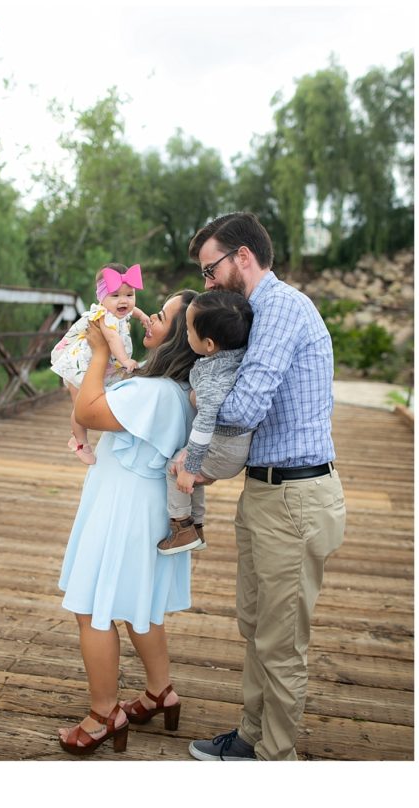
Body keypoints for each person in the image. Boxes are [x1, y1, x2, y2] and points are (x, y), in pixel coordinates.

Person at [185, 212, 346, 762]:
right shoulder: (260, 312)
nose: (209, 284)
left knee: (280, 645)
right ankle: (251, 740)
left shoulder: (278, 307)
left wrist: (193, 400)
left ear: (243, 258)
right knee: (255, 627)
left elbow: (244, 408)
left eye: (210, 271)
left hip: (295, 500)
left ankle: (277, 762)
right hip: (268, 492)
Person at [56, 289, 199, 756]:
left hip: (123, 511)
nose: (150, 317)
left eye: (164, 316)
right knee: (141, 605)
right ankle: (160, 691)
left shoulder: (153, 392)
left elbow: (87, 410)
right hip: (145, 510)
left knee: (93, 608)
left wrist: (99, 351)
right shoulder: (176, 391)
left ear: (180, 338)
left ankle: (104, 713)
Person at [157, 289, 254, 555]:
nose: (186, 335)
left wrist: (190, 465)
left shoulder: (212, 379)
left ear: (209, 345)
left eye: (188, 330)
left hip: (224, 449)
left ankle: (182, 527)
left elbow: (204, 423)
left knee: (176, 468)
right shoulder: (236, 357)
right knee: (191, 475)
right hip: (235, 447)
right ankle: (196, 527)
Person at [50, 263, 149, 463]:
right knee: (79, 407)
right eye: (116, 296)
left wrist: (142, 316)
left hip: (96, 367)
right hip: (78, 367)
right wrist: (125, 360)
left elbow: (133, 310)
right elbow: (113, 340)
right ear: (101, 298)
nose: (124, 301)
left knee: (90, 402)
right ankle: (80, 442)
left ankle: (83, 440)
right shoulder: (105, 317)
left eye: (129, 295)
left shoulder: (119, 311)